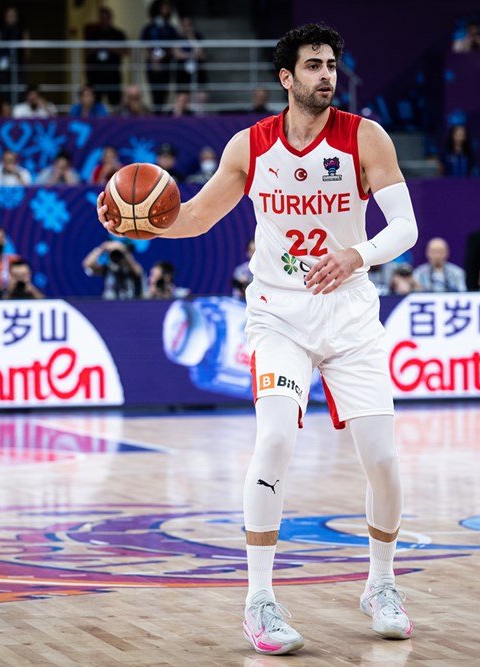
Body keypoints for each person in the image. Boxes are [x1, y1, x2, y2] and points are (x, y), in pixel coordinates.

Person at [96, 22, 418, 656]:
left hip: (350, 316)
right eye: (313, 65)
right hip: (278, 317)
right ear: (286, 78)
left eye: (331, 65)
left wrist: (355, 255)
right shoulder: (250, 146)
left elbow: (404, 227)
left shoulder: (365, 137)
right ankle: (260, 601)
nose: (326, 75)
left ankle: (381, 584)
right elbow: (194, 216)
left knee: (382, 458)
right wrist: (142, 226)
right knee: (273, 438)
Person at [141, 1, 180, 113]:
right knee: (154, 91)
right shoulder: (149, 28)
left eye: (167, 8)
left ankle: (161, 113)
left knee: (164, 90)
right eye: (163, 7)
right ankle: (156, 112)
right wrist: (153, 59)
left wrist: (163, 57)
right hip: (152, 65)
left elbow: (174, 47)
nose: (165, 10)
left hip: (166, 64)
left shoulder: (170, 28)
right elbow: (144, 45)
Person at [84, 6, 127, 107]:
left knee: (115, 101)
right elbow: (86, 51)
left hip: (112, 73)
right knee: (95, 102)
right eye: (102, 18)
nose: (104, 21)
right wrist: (97, 47)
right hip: (95, 73)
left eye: (106, 18)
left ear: (110, 18)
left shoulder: (118, 34)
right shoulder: (93, 34)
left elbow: (124, 52)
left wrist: (110, 48)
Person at [0, 6, 29, 102]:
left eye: (13, 15)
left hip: (18, 59)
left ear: (17, 17)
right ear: (5, 17)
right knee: (4, 81)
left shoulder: (22, 29)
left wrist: (25, 57)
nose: (11, 18)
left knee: (19, 82)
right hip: (3, 59)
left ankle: (19, 102)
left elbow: (26, 47)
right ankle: (5, 102)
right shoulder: (0, 29)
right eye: (9, 15)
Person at [176, 15, 207, 89]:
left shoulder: (198, 36)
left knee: (202, 94)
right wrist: (192, 55)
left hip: (197, 68)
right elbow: (177, 54)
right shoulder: (178, 37)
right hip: (182, 70)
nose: (187, 28)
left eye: (188, 25)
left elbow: (202, 55)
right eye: (184, 25)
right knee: (182, 94)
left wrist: (191, 38)